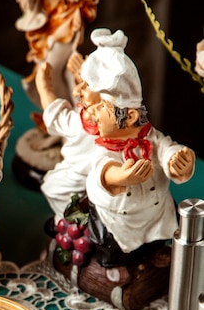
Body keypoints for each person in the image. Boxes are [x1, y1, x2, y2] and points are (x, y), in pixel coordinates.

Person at [81, 28, 195, 267]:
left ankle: (152, 253)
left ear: (130, 116)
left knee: (158, 233)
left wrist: (178, 162)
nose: (91, 113)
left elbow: (167, 149)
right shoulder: (105, 146)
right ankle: (115, 263)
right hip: (118, 219)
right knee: (113, 248)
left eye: (101, 107)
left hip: (153, 214)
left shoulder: (151, 137)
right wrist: (121, 176)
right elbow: (103, 170)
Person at [35, 53, 100, 221]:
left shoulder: (84, 124)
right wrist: (82, 79)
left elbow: (56, 115)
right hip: (94, 177)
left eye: (85, 85)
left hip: (80, 176)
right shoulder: (117, 122)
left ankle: (67, 221)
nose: (76, 90)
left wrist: (45, 89)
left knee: (53, 187)